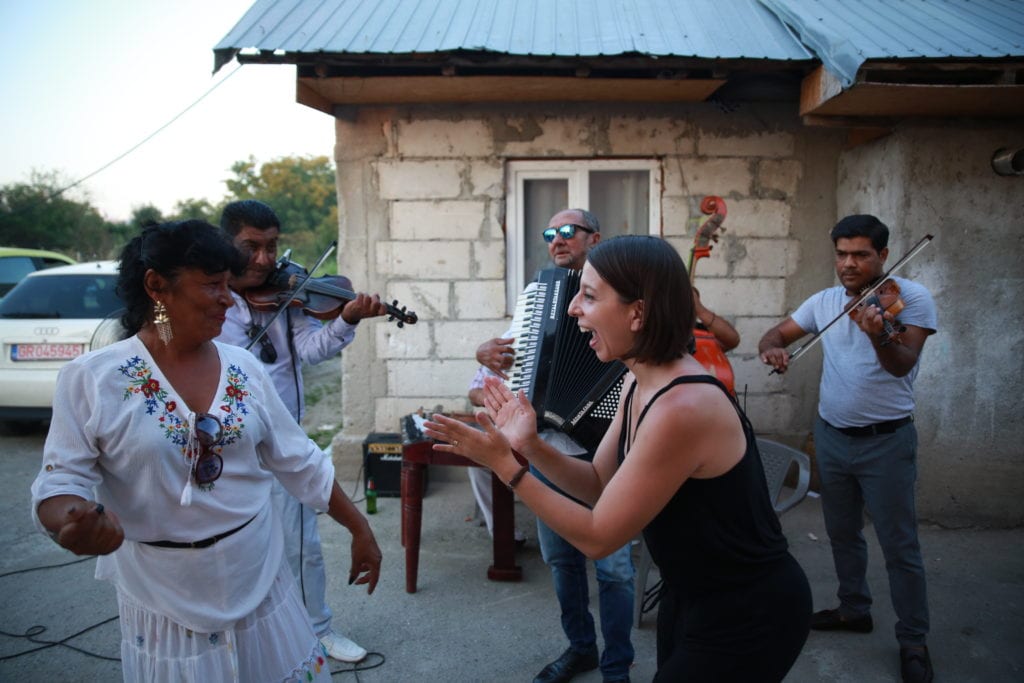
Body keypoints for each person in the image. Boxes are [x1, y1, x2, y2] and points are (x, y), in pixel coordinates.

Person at [426, 235, 811, 681]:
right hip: (689, 594)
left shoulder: (681, 408)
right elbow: (598, 483)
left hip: (750, 607)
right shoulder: (635, 380)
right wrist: (530, 445)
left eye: (588, 297)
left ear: (638, 313)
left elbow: (597, 537)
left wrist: (507, 467)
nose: (573, 310)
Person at [30, 220, 382, 682]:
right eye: (212, 285)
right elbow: (60, 481)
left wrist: (360, 530)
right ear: (157, 285)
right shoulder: (94, 378)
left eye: (227, 284)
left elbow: (300, 462)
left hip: (259, 574)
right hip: (162, 593)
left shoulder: (242, 365)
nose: (227, 298)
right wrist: (71, 522)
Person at [758, 214, 937, 683]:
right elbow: (775, 334)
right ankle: (854, 608)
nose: (849, 264)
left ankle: (913, 639)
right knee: (842, 533)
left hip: (887, 442)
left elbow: (901, 364)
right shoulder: (824, 302)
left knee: (900, 546)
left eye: (860, 254)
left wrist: (877, 331)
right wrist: (773, 348)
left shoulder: (912, 300)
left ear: (882, 254)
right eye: (842, 254)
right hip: (833, 437)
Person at [216, 199, 385, 663]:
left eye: (271, 247)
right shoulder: (211, 302)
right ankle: (242, 634)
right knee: (237, 547)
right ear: (226, 245)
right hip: (227, 447)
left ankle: (317, 631)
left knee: (302, 543)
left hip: (285, 439)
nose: (266, 261)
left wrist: (346, 320)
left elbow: (309, 350)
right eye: (251, 247)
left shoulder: (286, 295)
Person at [473, 208, 635, 683]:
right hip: (545, 445)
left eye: (569, 231)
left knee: (615, 569)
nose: (558, 240)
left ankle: (617, 666)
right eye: (550, 233)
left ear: (595, 238)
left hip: (602, 450)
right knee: (561, 559)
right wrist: (484, 353)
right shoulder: (535, 294)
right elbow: (500, 358)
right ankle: (581, 648)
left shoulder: (624, 287)